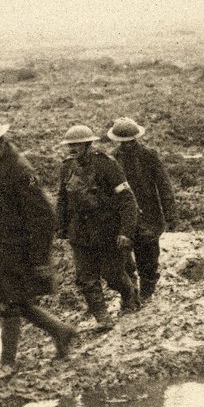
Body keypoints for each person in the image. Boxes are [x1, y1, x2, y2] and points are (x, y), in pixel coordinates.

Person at [0, 120, 77, 378]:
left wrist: (40, 258)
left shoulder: (19, 170)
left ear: (0, 145)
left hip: (17, 249)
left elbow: (44, 216)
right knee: (17, 301)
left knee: (10, 304)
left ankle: (7, 364)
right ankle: (62, 332)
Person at [56, 124, 140, 329]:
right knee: (86, 278)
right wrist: (60, 226)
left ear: (88, 145)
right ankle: (102, 317)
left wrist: (126, 231)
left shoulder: (107, 165)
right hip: (80, 231)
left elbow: (127, 199)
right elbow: (62, 198)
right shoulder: (66, 167)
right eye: (70, 146)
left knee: (112, 275)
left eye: (77, 145)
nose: (73, 149)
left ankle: (129, 294)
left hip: (106, 230)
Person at [107, 117, 177, 302]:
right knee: (124, 258)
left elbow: (163, 186)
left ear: (136, 138)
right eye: (123, 142)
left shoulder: (149, 156)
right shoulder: (113, 158)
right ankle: (131, 294)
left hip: (149, 215)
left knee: (148, 257)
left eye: (131, 141)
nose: (127, 145)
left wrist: (170, 214)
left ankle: (147, 293)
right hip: (123, 216)